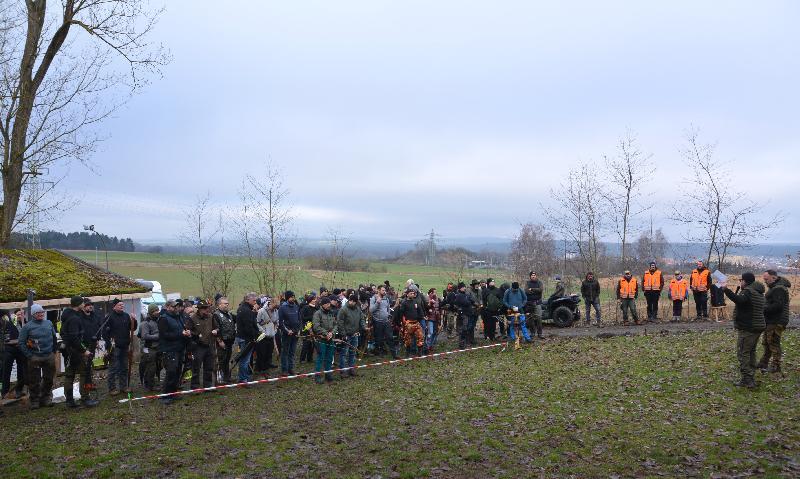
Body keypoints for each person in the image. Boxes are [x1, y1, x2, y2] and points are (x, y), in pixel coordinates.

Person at [723, 272, 766, 389]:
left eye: (741, 280)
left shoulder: (748, 291)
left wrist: (726, 290)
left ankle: (748, 379)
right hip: (758, 327)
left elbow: (739, 300)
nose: (740, 282)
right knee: (751, 352)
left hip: (748, 328)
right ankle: (749, 376)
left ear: (745, 281)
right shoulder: (759, 292)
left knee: (742, 353)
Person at [18, 304, 57, 409]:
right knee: (34, 380)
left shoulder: (49, 323)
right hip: (35, 357)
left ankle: (46, 398)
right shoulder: (27, 327)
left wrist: (54, 351)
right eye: (38, 313)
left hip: (49, 355)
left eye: (42, 312)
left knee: (48, 378)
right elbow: (21, 342)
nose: (41, 314)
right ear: (33, 314)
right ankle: (35, 400)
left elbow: (54, 337)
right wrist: (29, 355)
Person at [60, 296, 94, 408]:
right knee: (84, 373)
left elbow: (63, 333)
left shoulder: (67, 315)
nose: (84, 304)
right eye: (82, 303)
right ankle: (85, 398)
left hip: (68, 350)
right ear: (78, 304)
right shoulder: (74, 318)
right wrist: (84, 351)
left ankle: (69, 401)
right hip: (75, 351)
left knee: (69, 375)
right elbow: (74, 337)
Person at [158, 300, 191, 404]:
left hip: (179, 349)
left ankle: (173, 392)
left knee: (177, 372)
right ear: (168, 307)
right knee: (171, 372)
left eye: (177, 306)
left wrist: (186, 332)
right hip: (169, 350)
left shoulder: (179, 317)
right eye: (174, 307)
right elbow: (165, 335)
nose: (176, 308)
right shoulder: (163, 319)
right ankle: (165, 395)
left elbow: (182, 329)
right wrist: (181, 334)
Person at [757, 270, 791, 374]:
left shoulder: (779, 289)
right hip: (772, 320)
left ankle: (776, 366)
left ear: (774, 278)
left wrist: (763, 309)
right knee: (767, 342)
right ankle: (764, 363)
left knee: (773, 342)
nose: (765, 281)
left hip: (777, 320)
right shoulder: (775, 288)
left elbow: (778, 306)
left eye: (766, 279)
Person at [102, 299, 135, 395]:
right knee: (113, 368)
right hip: (114, 347)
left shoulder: (126, 316)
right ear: (114, 306)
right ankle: (112, 388)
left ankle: (123, 386)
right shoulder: (109, 317)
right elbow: (104, 332)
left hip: (125, 345)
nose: (122, 306)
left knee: (124, 367)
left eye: (122, 305)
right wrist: (109, 343)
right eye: (120, 305)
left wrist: (134, 320)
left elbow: (132, 328)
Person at [185, 300, 219, 389]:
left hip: (209, 345)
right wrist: (195, 335)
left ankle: (208, 386)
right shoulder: (192, 318)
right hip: (198, 346)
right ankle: (195, 387)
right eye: (204, 308)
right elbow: (188, 331)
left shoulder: (211, 317)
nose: (206, 310)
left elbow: (217, 327)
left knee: (209, 367)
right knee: (196, 368)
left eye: (207, 308)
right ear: (199, 309)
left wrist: (216, 331)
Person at [337, 294, 365, 377]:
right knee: (344, 353)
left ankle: (351, 369)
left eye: (354, 301)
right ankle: (342, 371)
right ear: (349, 300)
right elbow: (340, 322)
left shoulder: (357, 309)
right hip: (346, 335)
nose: (352, 302)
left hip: (355, 334)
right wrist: (343, 334)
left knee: (352, 353)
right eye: (351, 301)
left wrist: (364, 327)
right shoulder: (343, 309)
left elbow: (362, 318)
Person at [1, 309, 26, 400]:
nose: (20, 316)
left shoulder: (24, 322)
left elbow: (25, 333)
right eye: (18, 314)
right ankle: (5, 392)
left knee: (21, 370)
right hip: (9, 349)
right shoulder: (10, 322)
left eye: (21, 314)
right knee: (6, 371)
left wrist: (23, 320)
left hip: (20, 349)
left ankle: (19, 389)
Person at [312, 297, 337, 384]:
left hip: (330, 339)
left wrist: (332, 333)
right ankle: (318, 376)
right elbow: (316, 326)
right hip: (321, 339)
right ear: (322, 304)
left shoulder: (331, 313)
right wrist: (326, 333)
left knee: (329, 357)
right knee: (320, 357)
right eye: (327, 304)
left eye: (329, 304)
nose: (329, 305)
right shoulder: (317, 314)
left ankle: (328, 374)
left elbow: (335, 325)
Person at [235, 293, 259, 383]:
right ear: (247, 300)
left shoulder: (243, 309)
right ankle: (243, 378)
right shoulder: (246, 311)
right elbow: (248, 327)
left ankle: (245, 376)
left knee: (245, 359)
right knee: (245, 360)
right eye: (254, 300)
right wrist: (254, 337)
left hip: (243, 337)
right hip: (246, 338)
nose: (255, 302)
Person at [396, 287, 426, 355]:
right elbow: (401, 313)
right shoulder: (404, 303)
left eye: (413, 293)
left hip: (416, 322)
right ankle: (408, 353)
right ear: (407, 294)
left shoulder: (416, 302)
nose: (413, 295)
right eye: (411, 293)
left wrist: (422, 317)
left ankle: (419, 352)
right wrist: (402, 322)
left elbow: (420, 311)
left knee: (420, 336)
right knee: (408, 339)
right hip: (408, 323)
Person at [213, 297, 236, 384]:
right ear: (219, 305)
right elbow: (216, 329)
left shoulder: (228, 314)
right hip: (222, 342)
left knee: (227, 360)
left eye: (227, 303)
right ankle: (218, 379)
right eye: (225, 303)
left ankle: (227, 377)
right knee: (220, 360)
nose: (227, 305)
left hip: (230, 341)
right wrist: (219, 341)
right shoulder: (216, 315)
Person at [278, 291, 302, 376]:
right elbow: (280, 322)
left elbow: (299, 320)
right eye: (292, 297)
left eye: (294, 297)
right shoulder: (282, 308)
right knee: (285, 352)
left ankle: (291, 368)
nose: (293, 298)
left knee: (292, 352)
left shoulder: (296, 307)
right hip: (287, 334)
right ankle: (284, 370)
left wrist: (299, 329)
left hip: (295, 334)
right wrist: (287, 330)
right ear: (288, 298)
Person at [369, 285, 396, 358]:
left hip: (386, 321)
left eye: (385, 290)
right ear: (378, 290)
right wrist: (377, 303)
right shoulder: (373, 298)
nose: (385, 292)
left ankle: (394, 354)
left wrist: (388, 315)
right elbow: (371, 310)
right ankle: (379, 352)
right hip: (377, 321)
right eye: (383, 290)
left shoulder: (386, 298)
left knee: (390, 337)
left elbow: (388, 308)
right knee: (379, 339)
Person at [139, 304, 161, 391]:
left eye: (157, 310)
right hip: (148, 349)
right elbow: (144, 336)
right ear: (151, 312)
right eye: (155, 311)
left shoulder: (156, 321)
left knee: (156, 367)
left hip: (156, 348)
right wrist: (158, 336)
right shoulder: (145, 323)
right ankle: (149, 385)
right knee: (150, 368)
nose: (157, 312)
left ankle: (152, 383)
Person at [299, 294, 318, 364]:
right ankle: (302, 359)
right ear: (310, 300)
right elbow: (303, 318)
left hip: (314, 328)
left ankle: (309, 358)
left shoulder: (316, 308)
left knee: (312, 344)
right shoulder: (305, 308)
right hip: (306, 327)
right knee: (306, 344)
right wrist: (311, 317)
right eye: (313, 299)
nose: (315, 301)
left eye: (315, 299)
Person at [525, 272, 545, 338]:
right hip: (530, 303)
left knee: (539, 318)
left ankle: (540, 334)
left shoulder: (539, 283)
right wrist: (536, 292)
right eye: (532, 275)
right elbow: (526, 291)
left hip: (537, 303)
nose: (533, 276)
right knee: (531, 319)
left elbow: (540, 290)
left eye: (534, 275)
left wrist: (532, 289)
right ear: (530, 276)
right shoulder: (528, 283)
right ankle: (532, 333)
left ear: (536, 276)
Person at [466, 280, 483, 345]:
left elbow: (481, 299)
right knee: (469, 326)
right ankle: (468, 340)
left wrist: (481, 304)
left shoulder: (479, 291)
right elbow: (468, 300)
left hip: (477, 310)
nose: (477, 285)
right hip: (470, 310)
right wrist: (475, 304)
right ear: (472, 285)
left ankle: (472, 340)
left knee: (473, 326)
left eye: (477, 284)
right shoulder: (468, 291)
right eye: (475, 284)